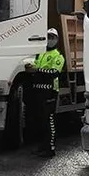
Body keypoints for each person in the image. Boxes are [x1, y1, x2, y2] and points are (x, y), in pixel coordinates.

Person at [24, 28, 65, 157]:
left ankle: (50, 148)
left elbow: (54, 73)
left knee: (49, 120)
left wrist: (37, 71)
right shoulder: (40, 54)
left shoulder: (58, 56)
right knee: (39, 120)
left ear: (57, 40)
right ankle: (42, 146)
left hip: (50, 91)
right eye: (48, 37)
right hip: (38, 91)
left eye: (53, 37)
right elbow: (33, 67)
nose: (50, 40)